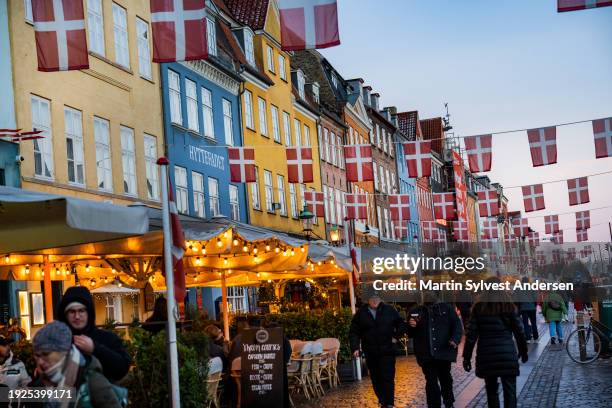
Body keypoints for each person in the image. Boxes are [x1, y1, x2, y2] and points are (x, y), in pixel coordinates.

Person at [29, 321, 121, 408]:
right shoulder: (38, 385)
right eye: (37, 355)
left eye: (46, 354)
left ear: (63, 351)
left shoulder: (92, 381)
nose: (40, 361)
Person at [462, 288, 528, 408]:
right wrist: (523, 352)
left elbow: (471, 335)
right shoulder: (508, 306)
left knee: (491, 391)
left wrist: (466, 357)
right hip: (507, 353)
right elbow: (520, 332)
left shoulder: (478, 308)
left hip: (487, 355)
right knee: (510, 390)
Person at [56, 286, 131, 382]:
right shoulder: (57, 340)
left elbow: (122, 368)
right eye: (72, 312)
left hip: (101, 394)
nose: (77, 316)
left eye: (81, 311)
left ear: (89, 313)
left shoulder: (107, 338)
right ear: (65, 314)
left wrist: (95, 348)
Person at [349, 291, 406, 408]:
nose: (374, 300)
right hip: (371, 352)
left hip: (387, 351)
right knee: (376, 378)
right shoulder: (361, 313)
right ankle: (382, 399)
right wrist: (355, 347)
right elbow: (354, 332)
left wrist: (396, 337)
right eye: (371, 297)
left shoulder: (389, 310)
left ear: (381, 298)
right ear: (367, 299)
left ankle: (389, 404)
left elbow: (401, 324)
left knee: (388, 377)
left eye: (377, 297)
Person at [407, 295, 463, 408]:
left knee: (445, 378)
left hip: (443, 351)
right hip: (426, 353)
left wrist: (455, 339)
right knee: (431, 381)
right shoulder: (415, 311)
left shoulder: (447, 309)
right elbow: (410, 332)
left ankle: (449, 403)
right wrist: (410, 326)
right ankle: (434, 405)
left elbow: (457, 326)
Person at [516, 277, 539, 343]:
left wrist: (519, 306)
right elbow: (535, 298)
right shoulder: (532, 287)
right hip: (532, 308)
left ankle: (528, 338)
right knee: (534, 323)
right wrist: (534, 305)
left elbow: (516, 298)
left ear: (522, 281)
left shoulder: (518, 288)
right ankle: (536, 338)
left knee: (525, 323)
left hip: (523, 308)